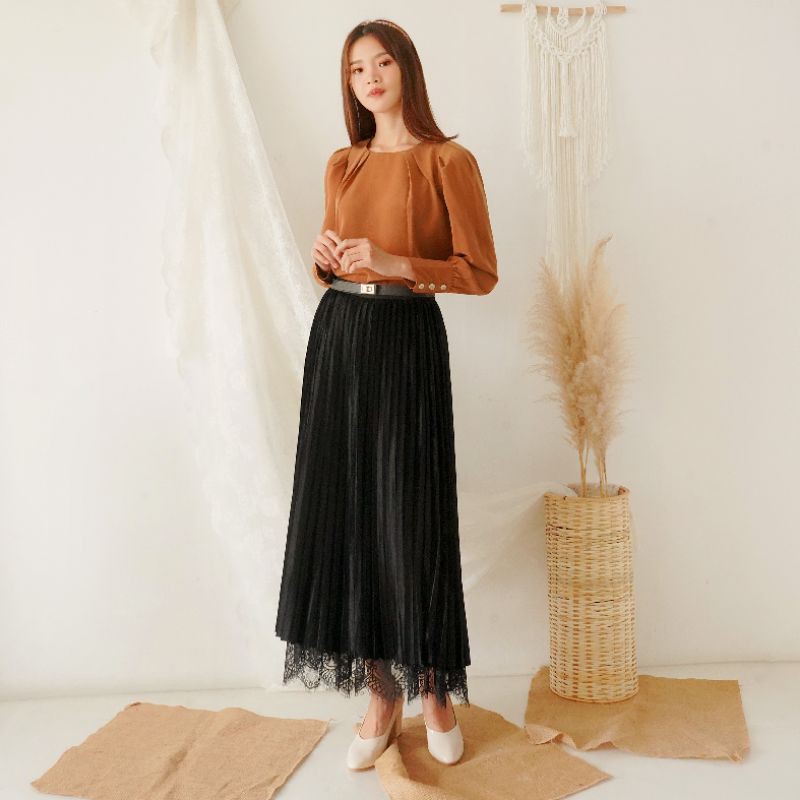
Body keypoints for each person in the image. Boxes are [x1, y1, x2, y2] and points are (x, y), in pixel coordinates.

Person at [274, 18, 498, 770]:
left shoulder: (447, 161)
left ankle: (433, 689)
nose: (368, 78)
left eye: (381, 63)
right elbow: (335, 257)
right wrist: (322, 257)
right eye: (355, 69)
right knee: (348, 512)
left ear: (407, 69)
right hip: (340, 336)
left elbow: (479, 271)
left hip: (406, 340)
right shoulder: (344, 163)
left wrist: (398, 261)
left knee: (410, 512)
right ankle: (380, 694)